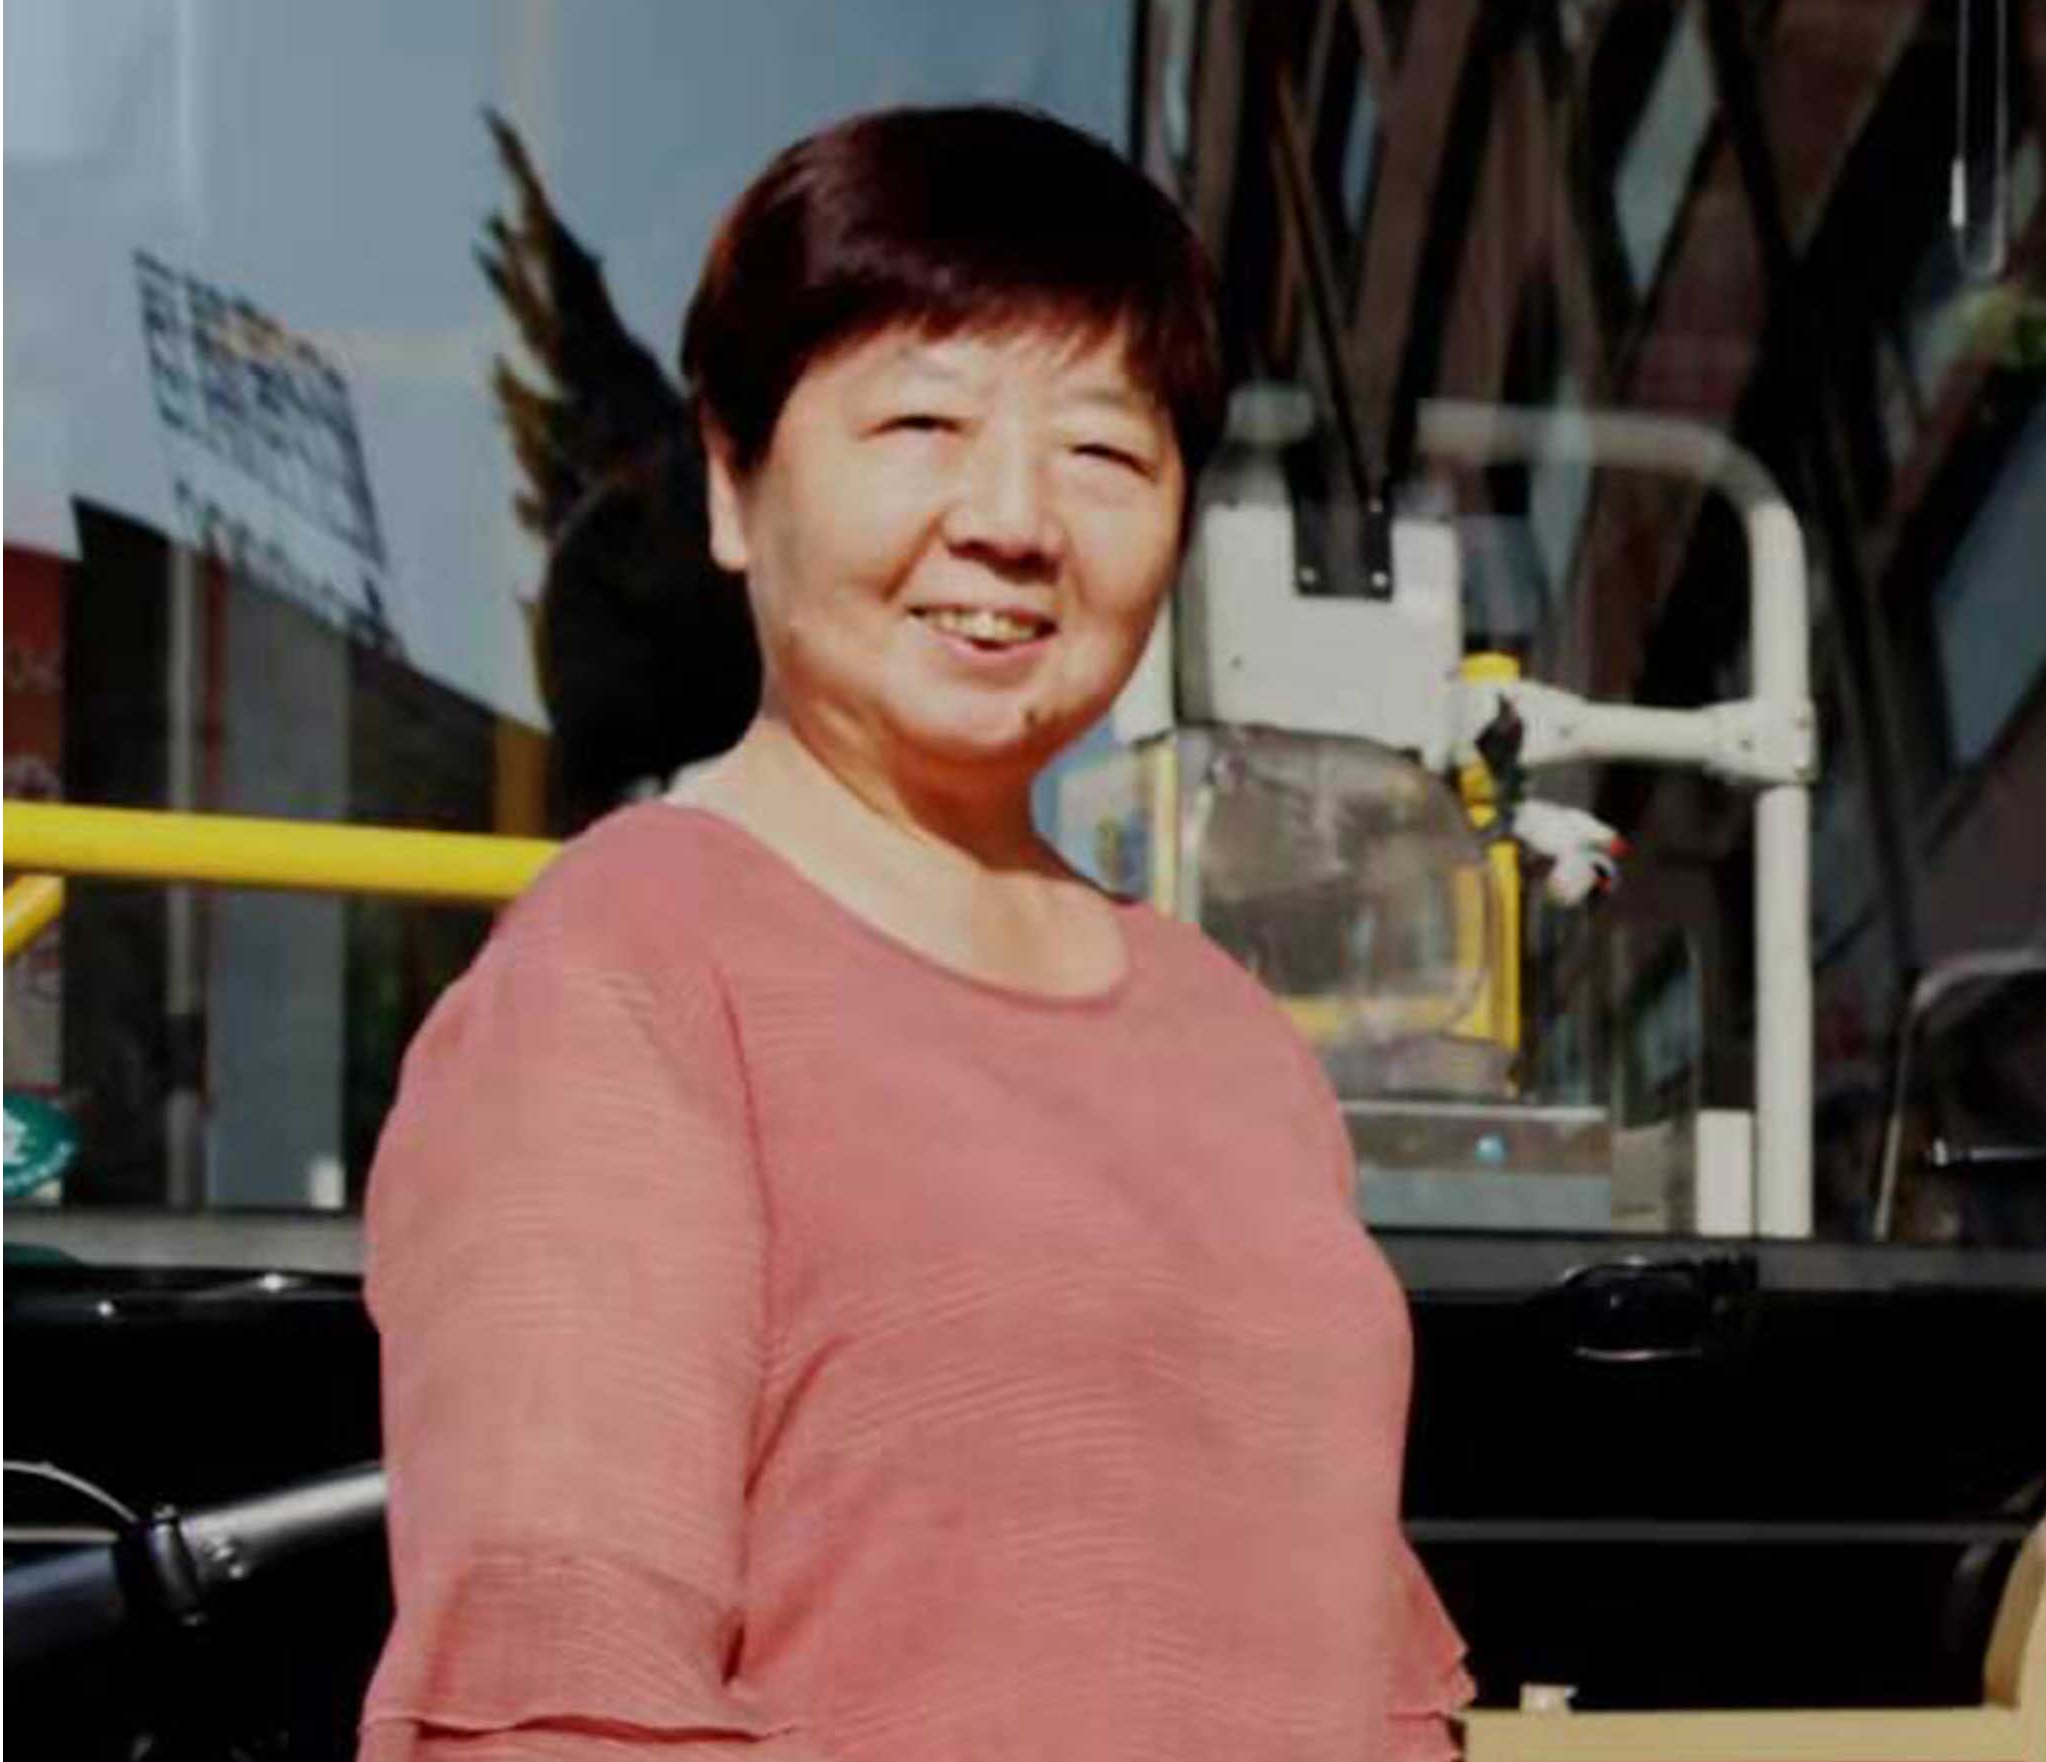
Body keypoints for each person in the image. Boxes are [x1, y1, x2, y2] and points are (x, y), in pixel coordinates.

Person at [355, 105, 1474, 1762]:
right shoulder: (629, 967)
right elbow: (557, 1700)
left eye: (1103, 452)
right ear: (734, 484)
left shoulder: (1232, 1038)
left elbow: (1362, 1676)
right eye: (924, 422)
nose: (1014, 519)